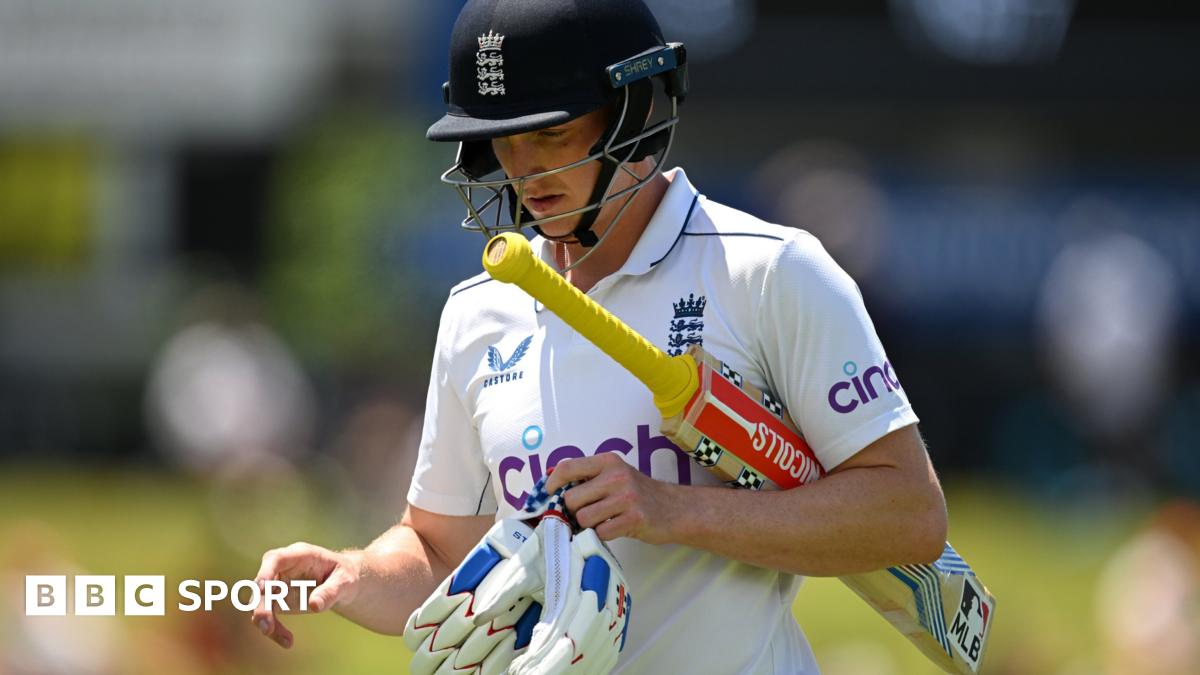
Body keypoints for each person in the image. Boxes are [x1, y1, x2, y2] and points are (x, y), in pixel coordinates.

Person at [252, 0, 949, 672]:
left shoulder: (770, 272)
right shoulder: (477, 313)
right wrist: (355, 571)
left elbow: (907, 514)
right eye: (503, 139)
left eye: (550, 133)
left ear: (636, 112)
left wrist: (672, 508)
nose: (523, 169)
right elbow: (440, 554)